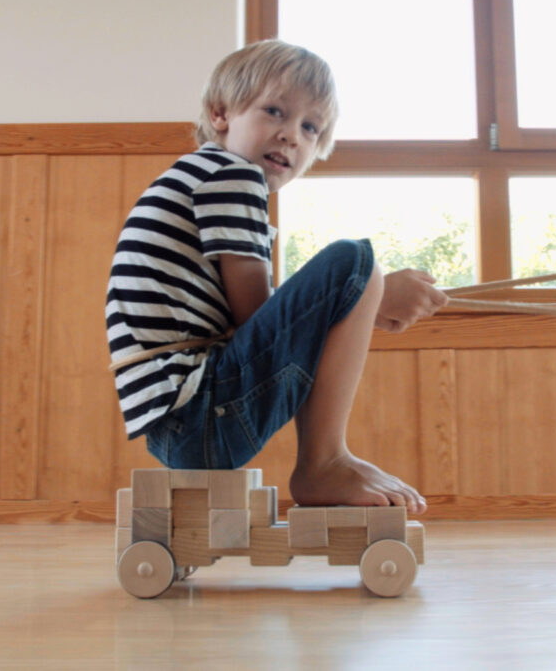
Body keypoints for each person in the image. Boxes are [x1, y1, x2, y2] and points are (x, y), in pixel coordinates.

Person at [106, 40, 448, 515]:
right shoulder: (230, 175)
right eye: (275, 112)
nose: (291, 135)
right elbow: (257, 319)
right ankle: (323, 462)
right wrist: (371, 288)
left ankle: (328, 459)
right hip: (202, 415)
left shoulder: (203, 177)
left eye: (310, 127)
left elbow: (272, 325)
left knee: (357, 277)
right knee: (355, 259)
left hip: (180, 429)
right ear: (221, 113)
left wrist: (362, 303)